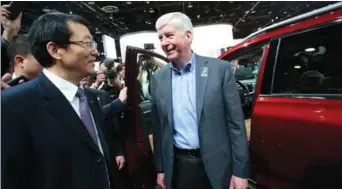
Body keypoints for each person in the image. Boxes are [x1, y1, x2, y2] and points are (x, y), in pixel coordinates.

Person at [1, 12, 127, 189]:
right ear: (55, 50)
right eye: (86, 43)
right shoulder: (14, 104)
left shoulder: (89, 97)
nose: (95, 51)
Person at [150, 12, 249, 189]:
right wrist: (161, 169)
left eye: (169, 35)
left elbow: (236, 125)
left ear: (188, 36)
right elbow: (159, 129)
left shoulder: (219, 70)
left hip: (219, 166)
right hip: (179, 166)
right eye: (161, 38)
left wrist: (240, 172)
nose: (164, 42)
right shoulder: (158, 79)